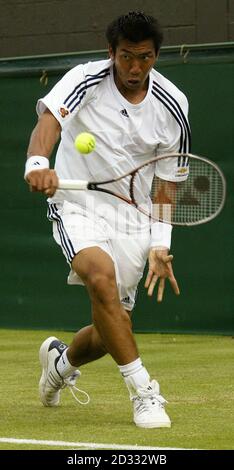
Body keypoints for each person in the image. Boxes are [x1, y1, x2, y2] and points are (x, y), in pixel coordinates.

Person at [25, 11, 190, 428]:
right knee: (100, 276)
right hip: (77, 203)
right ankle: (144, 392)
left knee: (110, 325)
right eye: (127, 57)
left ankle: (60, 365)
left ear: (156, 56)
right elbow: (50, 121)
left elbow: (168, 182)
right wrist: (38, 163)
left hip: (134, 217)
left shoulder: (173, 105)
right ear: (111, 52)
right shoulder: (84, 79)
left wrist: (160, 243)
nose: (136, 68)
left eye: (146, 58)